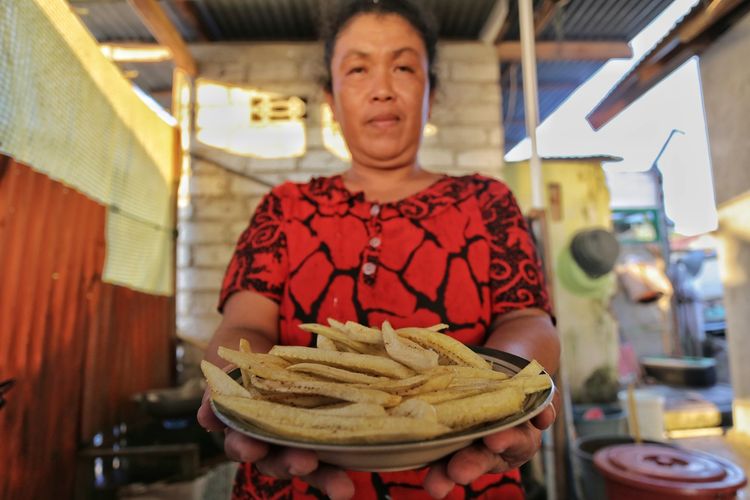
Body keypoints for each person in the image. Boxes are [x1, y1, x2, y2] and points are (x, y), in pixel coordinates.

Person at [197, 1, 560, 498]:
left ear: (431, 89)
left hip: (466, 476)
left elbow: (528, 320)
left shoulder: (486, 202)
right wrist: (241, 394)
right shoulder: (284, 209)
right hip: (294, 475)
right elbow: (245, 326)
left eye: (405, 67)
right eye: (358, 68)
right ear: (330, 96)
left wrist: (501, 395)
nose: (383, 88)